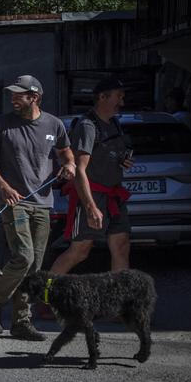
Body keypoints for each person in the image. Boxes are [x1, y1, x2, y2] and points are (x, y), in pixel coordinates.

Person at [0, 75, 76, 340]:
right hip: (14, 202)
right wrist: (4, 187)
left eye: (18, 94)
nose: (13, 98)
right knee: (24, 256)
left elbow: (66, 154)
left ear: (34, 97)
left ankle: (21, 321)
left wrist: (69, 166)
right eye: (12, 94)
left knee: (34, 269)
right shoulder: (1, 124)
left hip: (43, 203)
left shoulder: (54, 124)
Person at [49, 77, 134, 275]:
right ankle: (46, 294)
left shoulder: (114, 123)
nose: (122, 102)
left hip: (115, 196)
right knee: (80, 251)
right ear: (102, 97)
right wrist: (90, 207)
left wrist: (121, 161)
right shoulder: (87, 126)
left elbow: (106, 154)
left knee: (121, 245)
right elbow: (80, 169)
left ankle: (118, 300)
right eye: (118, 97)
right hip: (92, 196)